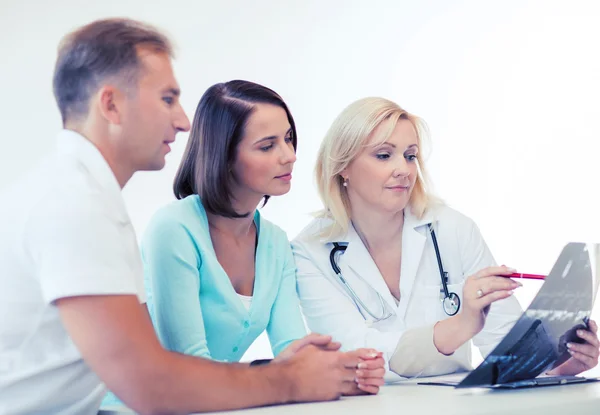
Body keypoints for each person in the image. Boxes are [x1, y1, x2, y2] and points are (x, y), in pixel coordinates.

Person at [0, 20, 382, 415]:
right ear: (111, 104)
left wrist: (323, 369)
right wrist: (290, 377)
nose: (183, 121)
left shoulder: (89, 199)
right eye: (167, 99)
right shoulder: (74, 205)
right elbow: (152, 383)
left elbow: (149, 369)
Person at [291, 97, 600, 381]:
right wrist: (458, 327)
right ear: (343, 166)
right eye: (384, 155)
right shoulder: (311, 251)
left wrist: (564, 364)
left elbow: (505, 347)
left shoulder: (453, 229)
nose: (404, 170)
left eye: (410, 156)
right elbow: (355, 352)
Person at [138, 80, 385, 394]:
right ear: (224, 156)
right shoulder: (174, 229)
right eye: (267, 146)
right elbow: (188, 364)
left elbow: (290, 346)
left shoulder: (275, 242)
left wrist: (343, 371)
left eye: (288, 138)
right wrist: (285, 374)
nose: (289, 155)